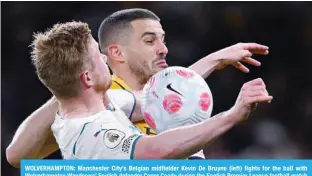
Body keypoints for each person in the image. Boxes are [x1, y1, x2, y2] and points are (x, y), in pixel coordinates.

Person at [6, 9, 270, 166]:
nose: (163, 48)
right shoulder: (89, 125)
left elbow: (167, 95)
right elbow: (17, 155)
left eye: (162, 39)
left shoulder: (111, 101)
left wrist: (215, 59)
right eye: (149, 40)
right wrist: (233, 115)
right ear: (116, 52)